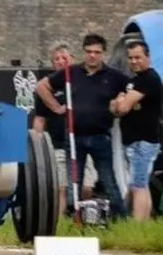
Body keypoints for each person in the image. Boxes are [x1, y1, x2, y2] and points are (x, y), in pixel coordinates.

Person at [35, 33, 129, 218]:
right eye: (89, 51)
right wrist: (56, 107)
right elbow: (41, 87)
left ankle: (120, 218)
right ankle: (72, 217)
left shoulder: (114, 76)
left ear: (103, 53)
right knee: (73, 182)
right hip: (74, 136)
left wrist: (121, 102)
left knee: (108, 180)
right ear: (83, 52)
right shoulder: (71, 73)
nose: (92, 55)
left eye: (97, 52)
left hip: (101, 136)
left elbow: (132, 90)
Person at [110, 40, 163, 221]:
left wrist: (121, 101)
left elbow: (122, 108)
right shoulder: (134, 81)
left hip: (144, 141)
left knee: (137, 185)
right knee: (141, 184)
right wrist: (120, 102)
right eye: (131, 58)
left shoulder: (149, 79)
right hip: (132, 140)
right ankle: (145, 222)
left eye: (138, 57)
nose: (134, 61)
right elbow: (114, 108)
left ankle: (138, 224)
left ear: (148, 57)